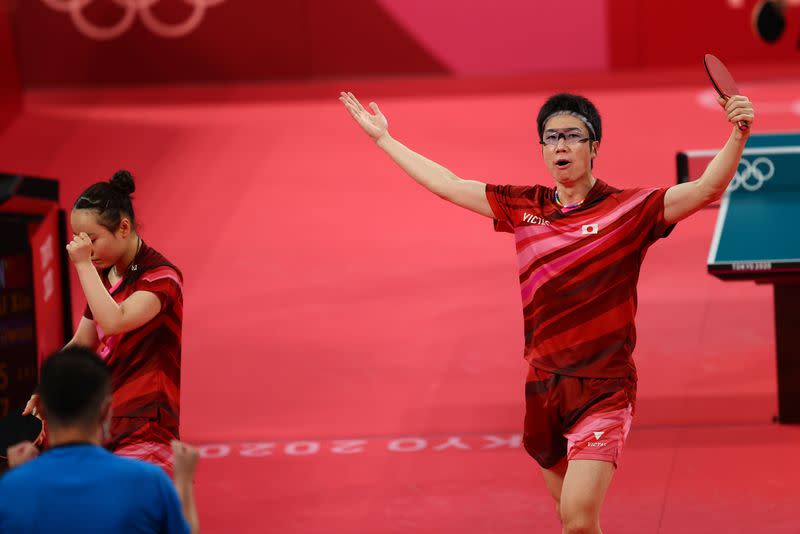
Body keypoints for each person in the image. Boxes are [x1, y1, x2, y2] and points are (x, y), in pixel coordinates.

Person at [340, 90, 754, 533]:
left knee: (577, 518)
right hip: (542, 385)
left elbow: (706, 188)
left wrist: (738, 133)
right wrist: (385, 140)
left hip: (603, 386)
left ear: (594, 147)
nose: (560, 145)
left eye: (573, 136)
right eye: (551, 137)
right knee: (571, 521)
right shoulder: (525, 207)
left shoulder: (628, 210)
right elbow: (450, 185)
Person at [23, 170, 184, 474]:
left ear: (124, 227)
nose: (85, 248)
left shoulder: (162, 277)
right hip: (100, 422)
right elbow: (84, 341)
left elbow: (113, 321)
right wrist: (48, 386)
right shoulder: (105, 274)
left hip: (145, 424)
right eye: (79, 239)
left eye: (92, 239)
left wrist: (83, 263)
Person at [0, 346, 199, 534]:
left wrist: (20, 478)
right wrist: (184, 482)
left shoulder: (10, 491)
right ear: (105, 411)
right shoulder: (150, 482)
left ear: (41, 410)